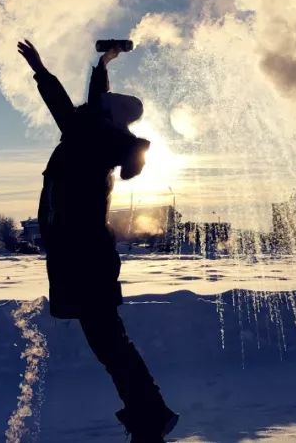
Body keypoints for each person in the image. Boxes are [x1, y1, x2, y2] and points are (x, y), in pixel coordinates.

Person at [17, 39, 179, 442]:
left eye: (99, 107)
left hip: (85, 259)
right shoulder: (91, 136)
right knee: (109, 344)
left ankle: (151, 415)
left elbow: (73, 106)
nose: (89, 107)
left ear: (106, 118)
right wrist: (102, 62)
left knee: (110, 344)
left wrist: (41, 70)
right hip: (82, 257)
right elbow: (95, 98)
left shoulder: (89, 138)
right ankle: (148, 413)